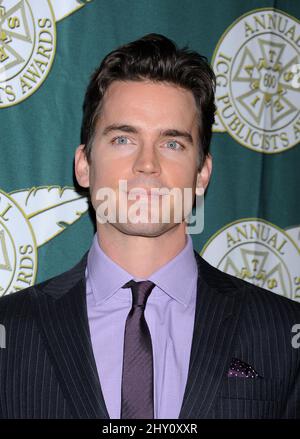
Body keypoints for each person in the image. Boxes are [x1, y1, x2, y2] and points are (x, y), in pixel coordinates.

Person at [0, 33, 299, 419]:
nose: (147, 164)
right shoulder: (9, 332)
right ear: (84, 165)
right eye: (123, 139)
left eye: (172, 143)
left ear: (202, 173)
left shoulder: (283, 333)